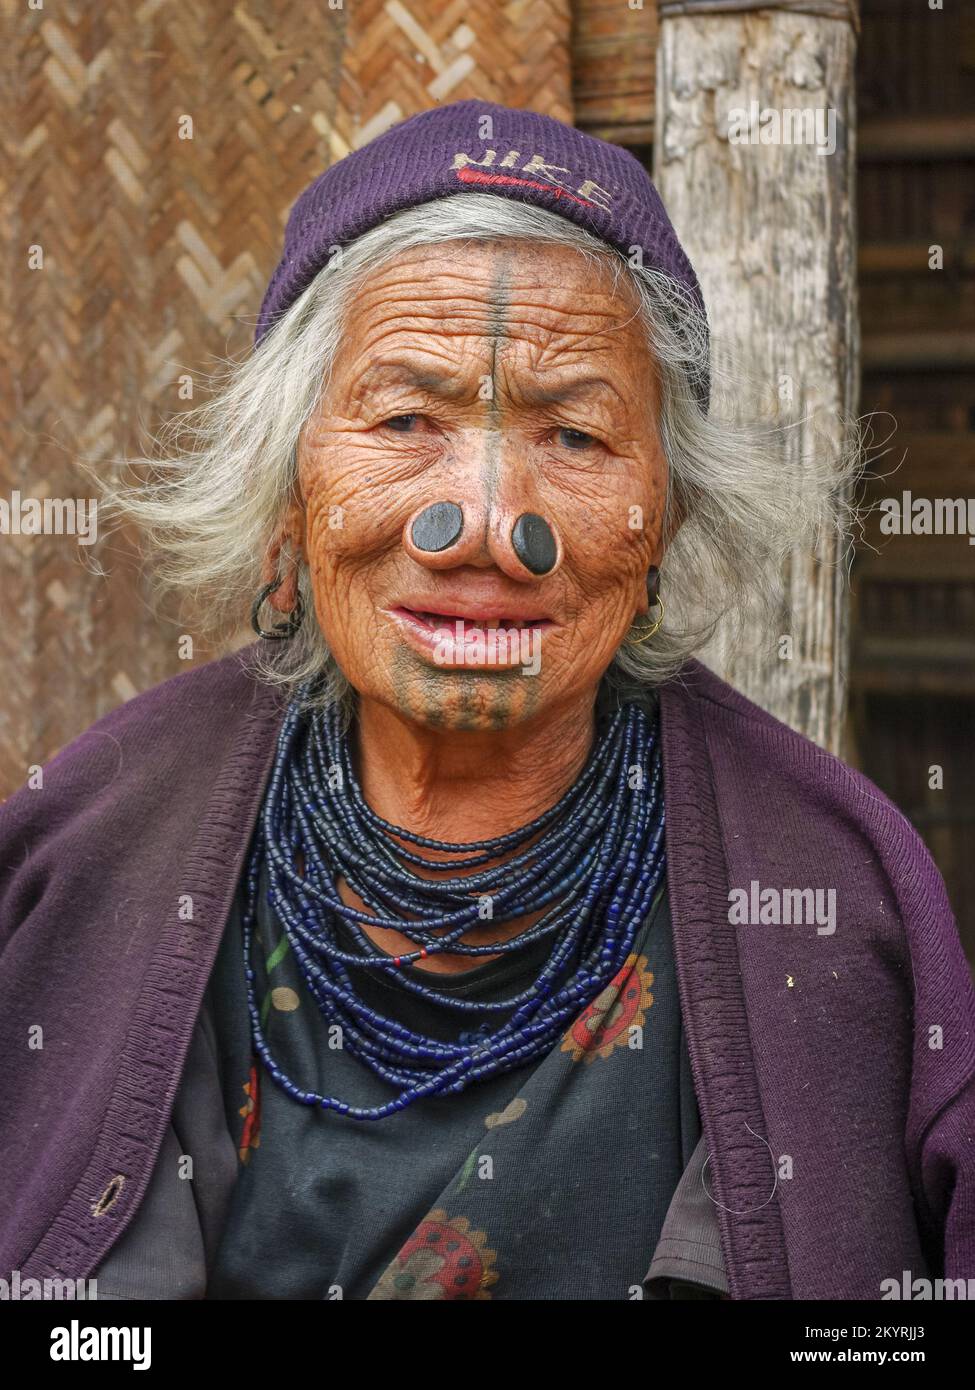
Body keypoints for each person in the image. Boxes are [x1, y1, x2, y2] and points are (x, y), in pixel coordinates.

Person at [2, 100, 972, 1302]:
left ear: (664, 517)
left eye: (574, 434)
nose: (485, 529)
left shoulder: (833, 892)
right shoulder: (90, 843)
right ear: (286, 498)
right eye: (407, 419)